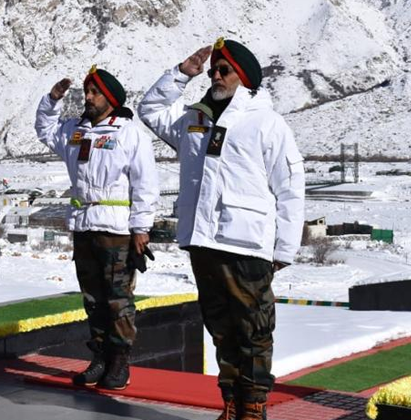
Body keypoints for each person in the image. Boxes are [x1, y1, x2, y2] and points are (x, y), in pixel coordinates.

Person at [138, 38, 305, 420]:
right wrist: (180, 75)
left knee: (254, 331)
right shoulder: (194, 120)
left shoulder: (266, 123)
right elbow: (150, 109)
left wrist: (284, 250)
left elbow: (290, 188)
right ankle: (231, 400)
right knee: (220, 329)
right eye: (213, 69)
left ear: (243, 78)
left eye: (223, 69)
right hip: (203, 241)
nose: (215, 75)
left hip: (246, 245)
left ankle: (254, 405)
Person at [35, 66, 159, 390]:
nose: (88, 98)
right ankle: (100, 357)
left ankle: (119, 362)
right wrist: (52, 100)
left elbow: (145, 184)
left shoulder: (129, 133)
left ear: (111, 99)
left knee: (118, 300)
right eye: (87, 92)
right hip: (83, 226)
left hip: (116, 231)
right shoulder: (75, 131)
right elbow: (45, 130)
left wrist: (141, 229)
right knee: (93, 299)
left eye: (95, 93)